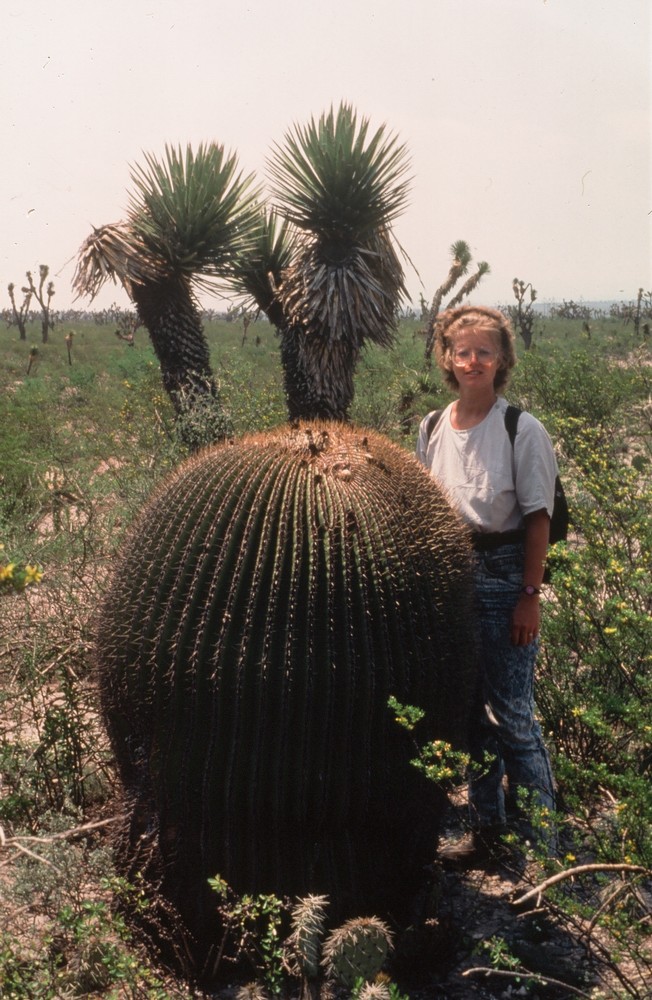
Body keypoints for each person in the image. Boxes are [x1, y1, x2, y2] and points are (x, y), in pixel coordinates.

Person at [416, 305, 557, 865]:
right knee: (471, 716)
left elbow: (538, 518)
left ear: (502, 360)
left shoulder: (521, 428)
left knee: (516, 719)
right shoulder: (432, 426)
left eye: (485, 351)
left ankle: (542, 849)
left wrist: (529, 597)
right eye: (463, 351)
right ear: (448, 358)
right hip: (452, 578)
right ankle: (487, 830)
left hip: (505, 579)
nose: (474, 361)